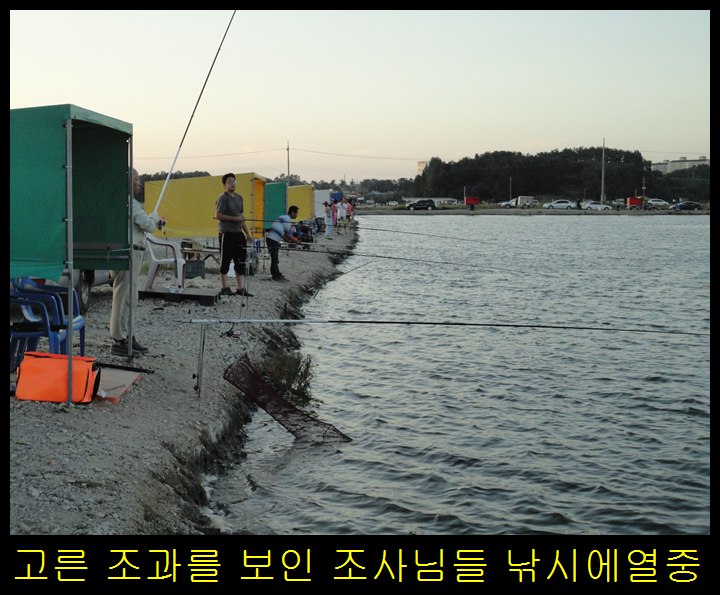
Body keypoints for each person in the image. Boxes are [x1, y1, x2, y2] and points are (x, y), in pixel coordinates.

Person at [110, 168, 165, 356]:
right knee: (124, 296)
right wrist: (155, 218)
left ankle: (127, 335)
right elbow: (148, 225)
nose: (139, 183)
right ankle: (119, 339)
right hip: (130, 252)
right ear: (128, 182)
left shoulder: (125, 202)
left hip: (132, 252)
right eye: (136, 180)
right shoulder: (130, 203)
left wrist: (153, 221)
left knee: (130, 297)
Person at [215, 173, 253, 297]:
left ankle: (240, 288)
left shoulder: (239, 198)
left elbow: (241, 217)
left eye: (234, 181)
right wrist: (234, 219)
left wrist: (247, 233)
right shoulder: (223, 198)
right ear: (225, 185)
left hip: (239, 234)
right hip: (227, 234)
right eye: (229, 182)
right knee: (225, 260)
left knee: (240, 261)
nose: (232, 184)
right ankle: (225, 287)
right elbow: (218, 215)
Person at [266, 205, 301, 281]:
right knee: (274, 258)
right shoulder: (287, 220)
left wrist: (288, 240)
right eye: (296, 213)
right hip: (273, 239)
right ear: (292, 212)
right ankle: (276, 276)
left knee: (274, 258)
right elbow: (287, 234)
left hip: (271, 239)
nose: (297, 215)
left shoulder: (283, 217)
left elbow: (282, 233)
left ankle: (276, 274)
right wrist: (296, 241)